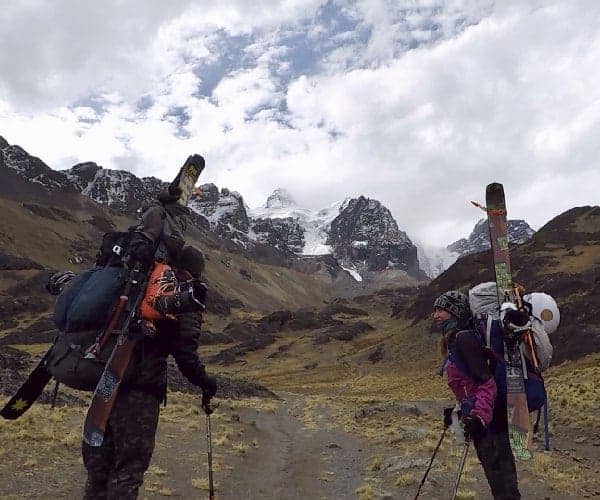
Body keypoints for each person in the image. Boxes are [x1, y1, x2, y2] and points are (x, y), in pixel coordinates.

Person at [82, 186, 217, 499]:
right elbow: (185, 352)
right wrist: (206, 382)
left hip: (105, 380)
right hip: (140, 391)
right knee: (127, 472)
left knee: (98, 473)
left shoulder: (133, 279)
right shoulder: (179, 293)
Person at [434, 290, 521, 500]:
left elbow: (487, 383)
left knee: (502, 481)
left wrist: (479, 417)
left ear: (455, 312)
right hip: (483, 418)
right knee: (497, 479)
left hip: (490, 421)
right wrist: (457, 410)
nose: (435, 315)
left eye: (441, 310)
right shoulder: (456, 340)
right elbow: (468, 386)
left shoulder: (464, 339)